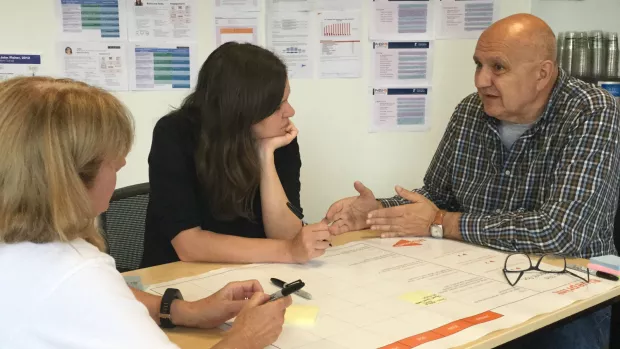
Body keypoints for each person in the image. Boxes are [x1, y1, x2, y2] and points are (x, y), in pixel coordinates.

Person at [326, 14, 618, 349]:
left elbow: (562, 232)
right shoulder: (469, 111)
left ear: (543, 74)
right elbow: (437, 195)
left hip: (569, 287)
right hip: (476, 277)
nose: (481, 80)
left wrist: (440, 223)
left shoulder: (592, 111)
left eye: (498, 67)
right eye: (478, 64)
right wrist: (377, 211)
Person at [0, 76, 291, 349]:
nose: (123, 167)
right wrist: (245, 338)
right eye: (112, 163)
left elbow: (104, 297)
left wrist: (183, 310)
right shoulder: (74, 271)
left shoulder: (31, 248)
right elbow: (85, 289)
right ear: (71, 177)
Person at [141, 42, 330, 268]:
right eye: (278, 105)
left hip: (254, 271)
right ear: (243, 110)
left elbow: (287, 235)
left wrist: (265, 157)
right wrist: (288, 251)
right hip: (180, 277)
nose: (290, 112)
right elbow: (189, 245)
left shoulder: (279, 136)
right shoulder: (175, 133)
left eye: (287, 100)